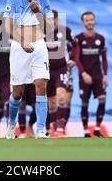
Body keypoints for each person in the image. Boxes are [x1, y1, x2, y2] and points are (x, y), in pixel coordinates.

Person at [3, 0, 54, 139]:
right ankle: (11, 125)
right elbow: (7, 27)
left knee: (41, 85)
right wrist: (22, 42)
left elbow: (51, 27)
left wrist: (39, 11)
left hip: (39, 45)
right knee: (18, 92)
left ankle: (40, 130)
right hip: (19, 46)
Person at [73, 11, 108, 137]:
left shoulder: (100, 38)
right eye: (87, 20)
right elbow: (76, 58)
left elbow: (104, 58)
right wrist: (83, 73)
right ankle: (85, 130)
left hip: (98, 75)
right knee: (85, 102)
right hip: (85, 76)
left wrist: (105, 75)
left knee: (102, 99)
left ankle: (97, 128)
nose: (90, 22)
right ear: (83, 22)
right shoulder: (78, 39)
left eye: (91, 19)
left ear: (94, 20)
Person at [45, 9, 75, 137]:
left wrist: (74, 60)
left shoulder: (66, 31)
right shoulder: (41, 33)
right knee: (51, 102)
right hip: (46, 70)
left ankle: (61, 129)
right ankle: (55, 128)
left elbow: (76, 46)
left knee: (61, 97)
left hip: (62, 69)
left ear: (57, 19)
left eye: (53, 19)